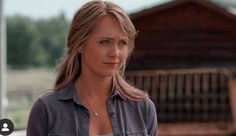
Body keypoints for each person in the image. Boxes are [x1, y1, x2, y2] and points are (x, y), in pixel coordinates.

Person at [26, 0, 158, 136]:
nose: (115, 53)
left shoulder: (143, 108)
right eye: (104, 42)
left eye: (122, 43)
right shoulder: (47, 109)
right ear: (80, 44)